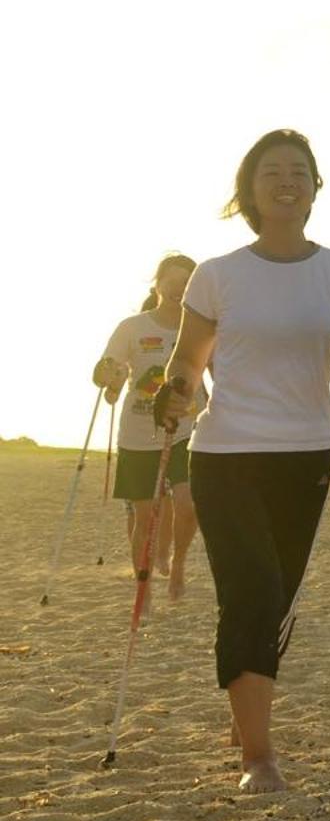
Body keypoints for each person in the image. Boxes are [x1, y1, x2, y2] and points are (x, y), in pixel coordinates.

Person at [154, 129, 330, 794]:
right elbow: (188, 362)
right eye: (272, 170)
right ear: (249, 188)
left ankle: (246, 706)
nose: (287, 179)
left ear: (317, 186)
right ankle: (258, 758)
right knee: (252, 589)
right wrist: (173, 393)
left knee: (278, 596)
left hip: (306, 452)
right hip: (226, 452)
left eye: (300, 170)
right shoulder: (218, 274)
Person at [94, 253, 206, 599]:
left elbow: (225, 372)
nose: (178, 291)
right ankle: (142, 588)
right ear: (156, 285)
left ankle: (178, 564)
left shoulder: (203, 328)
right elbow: (104, 370)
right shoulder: (133, 327)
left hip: (188, 432)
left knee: (189, 505)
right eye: (172, 284)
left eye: (186, 286)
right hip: (139, 436)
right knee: (145, 516)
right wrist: (109, 376)